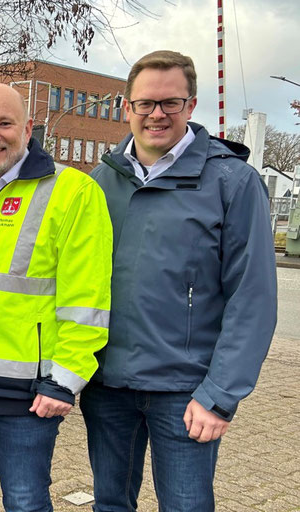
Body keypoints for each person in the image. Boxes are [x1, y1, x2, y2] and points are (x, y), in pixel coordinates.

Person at [82, 50, 277, 511]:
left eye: (170, 103)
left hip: (187, 394)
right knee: (109, 503)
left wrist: (220, 395)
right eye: (145, 103)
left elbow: (253, 297)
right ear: (126, 106)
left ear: (191, 106)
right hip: (107, 387)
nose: (156, 115)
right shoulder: (99, 183)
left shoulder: (232, 182)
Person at [0, 83, 113, 512]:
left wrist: (66, 380)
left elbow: (87, 297)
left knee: (26, 502)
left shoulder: (72, 191)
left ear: (27, 128)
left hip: (26, 396)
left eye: (5, 123)